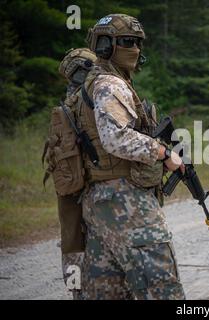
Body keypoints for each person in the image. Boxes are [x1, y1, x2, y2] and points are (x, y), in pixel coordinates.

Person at [76, 14, 185, 299]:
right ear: (103, 45)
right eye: (126, 42)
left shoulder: (90, 83)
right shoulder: (109, 84)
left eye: (137, 42)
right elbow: (116, 138)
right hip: (126, 202)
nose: (134, 49)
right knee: (162, 287)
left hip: (99, 202)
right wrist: (163, 152)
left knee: (108, 291)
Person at [56, 47, 97, 299]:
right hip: (91, 189)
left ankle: (77, 292)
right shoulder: (90, 104)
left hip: (69, 193)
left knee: (72, 242)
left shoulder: (63, 111)